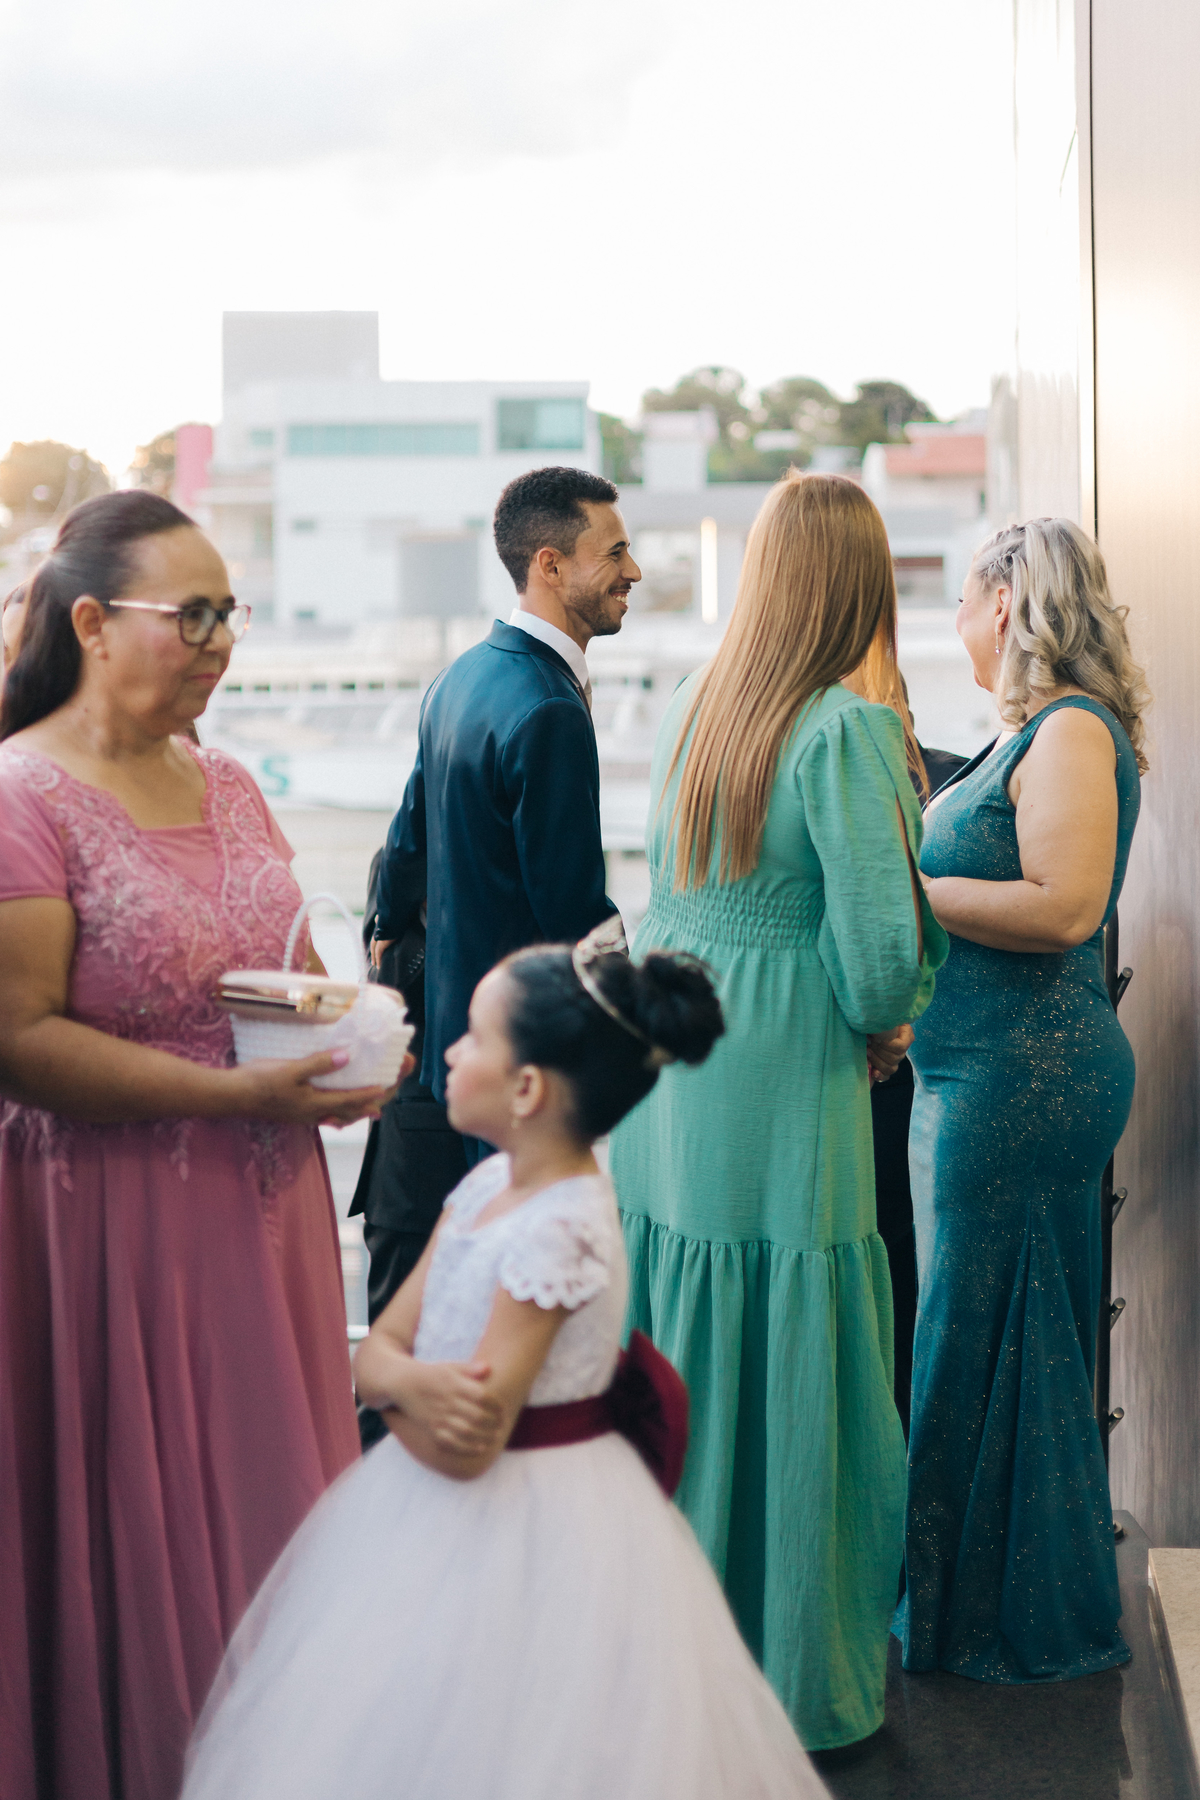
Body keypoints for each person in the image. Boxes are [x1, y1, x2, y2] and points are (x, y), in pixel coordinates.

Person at [181, 936, 824, 1800]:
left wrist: (392, 1382)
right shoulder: (487, 1189)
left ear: (527, 1090)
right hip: (434, 1499)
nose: (448, 1050)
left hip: (533, 1522)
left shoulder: (562, 1227)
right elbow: (377, 1352)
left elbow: (469, 1442)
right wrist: (404, 1383)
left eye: (474, 1036)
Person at [0, 492, 397, 1800]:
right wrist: (235, 1098)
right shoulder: (20, 797)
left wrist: (341, 1048)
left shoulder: (227, 780)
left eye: (232, 614)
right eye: (196, 615)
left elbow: (277, 964)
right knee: (142, 1524)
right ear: (91, 624)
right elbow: (19, 1040)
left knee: (269, 1510)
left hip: (265, 1214)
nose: (223, 642)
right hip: (106, 1222)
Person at [608, 471, 949, 1752]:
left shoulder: (695, 702)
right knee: (800, 1360)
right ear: (862, 585)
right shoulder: (843, 731)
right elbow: (878, 960)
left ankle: (676, 1665)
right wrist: (894, 1015)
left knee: (687, 1343)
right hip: (783, 1074)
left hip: (673, 1069)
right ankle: (799, 1679)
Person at [897, 518, 1148, 1683]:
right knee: (976, 1332)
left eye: (962, 599)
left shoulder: (1071, 732)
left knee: (985, 1336)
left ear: (1005, 604)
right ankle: (966, 1604)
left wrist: (910, 888)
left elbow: (1064, 908)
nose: (955, 622)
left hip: (1026, 1077)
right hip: (979, 1071)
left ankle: (1002, 1620)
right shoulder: (1024, 737)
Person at [372, 465, 638, 1163]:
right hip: (522, 1060)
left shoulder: (459, 676)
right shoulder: (549, 706)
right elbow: (570, 908)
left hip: (451, 1055)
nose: (633, 571)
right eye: (615, 552)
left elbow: (406, 842)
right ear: (550, 565)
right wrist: (641, 1009)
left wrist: (385, 929)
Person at [350, 857, 467, 1448]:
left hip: (494, 1151)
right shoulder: (407, 860)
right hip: (413, 1161)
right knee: (391, 1395)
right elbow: (386, 993)